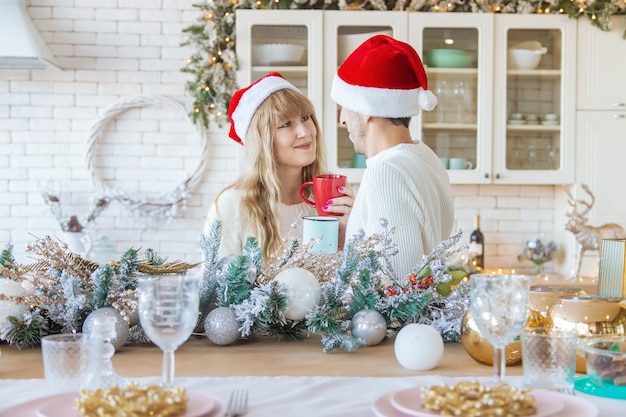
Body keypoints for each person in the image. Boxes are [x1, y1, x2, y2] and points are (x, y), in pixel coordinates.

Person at [330, 35, 455, 279]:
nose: (342, 118)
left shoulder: (386, 171)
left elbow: (392, 285)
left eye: (344, 105)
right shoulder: (426, 158)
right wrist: (355, 234)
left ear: (366, 109)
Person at [204, 72, 353, 263]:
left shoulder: (328, 202)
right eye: (286, 124)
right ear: (263, 142)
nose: (305, 131)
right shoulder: (232, 205)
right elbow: (214, 287)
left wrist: (352, 229)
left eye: (306, 118)